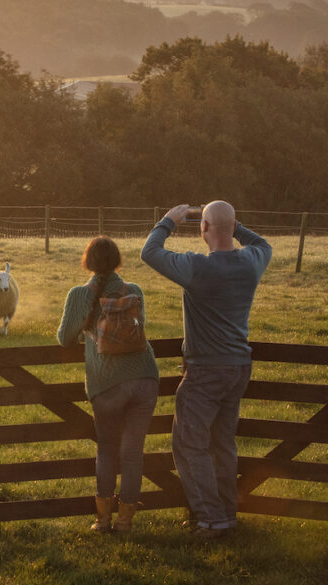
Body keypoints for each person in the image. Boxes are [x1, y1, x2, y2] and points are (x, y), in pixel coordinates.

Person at [140, 201, 272, 540]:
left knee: (189, 445)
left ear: (203, 229)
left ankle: (211, 520)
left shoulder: (196, 267)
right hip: (238, 367)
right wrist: (234, 225)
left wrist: (169, 220)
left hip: (205, 371)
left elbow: (150, 252)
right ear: (230, 227)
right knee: (222, 445)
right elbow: (263, 244)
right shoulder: (250, 262)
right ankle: (226, 515)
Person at [57, 236, 159, 533]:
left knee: (107, 451)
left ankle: (102, 521)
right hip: (144, 378)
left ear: (88, 262)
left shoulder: (79, 295)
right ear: (117, 261)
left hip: (107, 383)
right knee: (132, 453)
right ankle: (125, 521)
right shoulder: (134, 291)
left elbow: (65, 338)